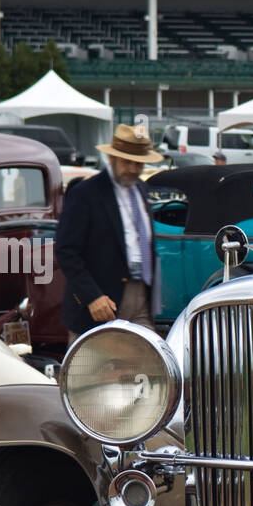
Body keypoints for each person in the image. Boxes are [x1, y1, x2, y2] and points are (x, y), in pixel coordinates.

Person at [55, 123, 165, 343]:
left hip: (141, 295)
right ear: (112, 159)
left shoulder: (141, 190)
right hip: (101, 303)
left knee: (145, 369)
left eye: (139, 163)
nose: (134, 169)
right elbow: (66, 250)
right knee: (95, 372)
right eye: (128, 162)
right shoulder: (85, 193)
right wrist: (92, 296)